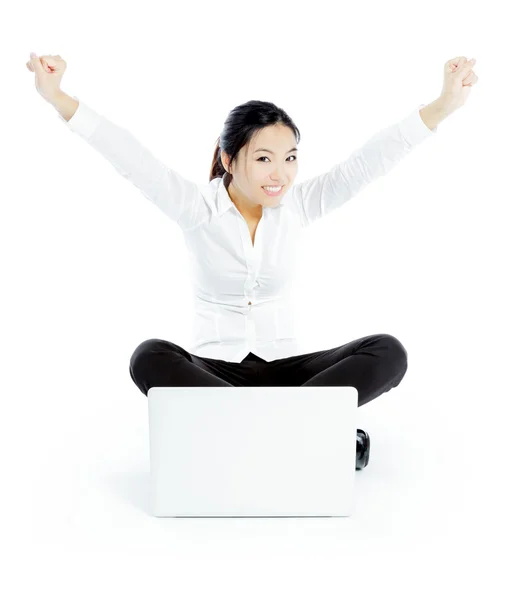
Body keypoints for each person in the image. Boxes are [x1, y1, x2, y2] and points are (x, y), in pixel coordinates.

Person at [26, 52, 478, 471]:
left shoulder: (299, 206)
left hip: (291, 374)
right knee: (149, 357)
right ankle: (310, 433)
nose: (279, 173)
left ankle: (250, 433)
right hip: (215, 375)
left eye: (290, 158)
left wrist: (443, 104)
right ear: (229, 158)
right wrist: (59, 98)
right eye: (264, 158)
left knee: (387, 351)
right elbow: (129, 157)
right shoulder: (195, 207)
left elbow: (367, 164)